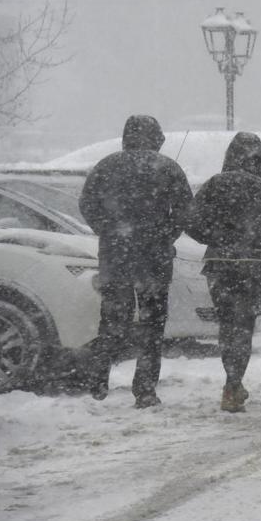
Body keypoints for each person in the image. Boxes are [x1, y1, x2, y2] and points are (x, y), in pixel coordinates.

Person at [78, 115, 192, 407]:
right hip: (154, 259)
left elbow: (87, 204)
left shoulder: (106, 166)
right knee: (153, 326)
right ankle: (145, 389)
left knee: (112, 320)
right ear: (156, 138)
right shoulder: (167, 168)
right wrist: (166, 235)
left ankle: (97, 382)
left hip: (115, 256)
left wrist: (108, 229)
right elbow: (184, 211)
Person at [184, 132, 261, 412]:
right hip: (253, 265)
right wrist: (258, 239)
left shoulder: (213, 186)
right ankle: (233, 383)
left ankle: (232, 381)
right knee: (243, 326)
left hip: (219, 264)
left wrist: (218, 236)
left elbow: (191, 222)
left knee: (227, 325)